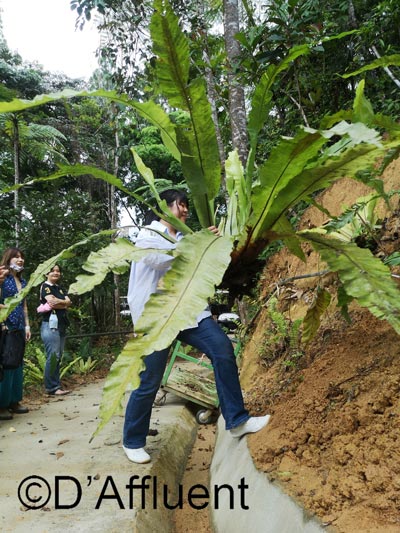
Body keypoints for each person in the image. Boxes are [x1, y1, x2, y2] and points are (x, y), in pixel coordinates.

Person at [124, 189, 270, 463]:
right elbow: (157, 259)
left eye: (186, 206)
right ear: (165, 208)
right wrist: (198, 245)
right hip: (157, 319)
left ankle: (237, 420)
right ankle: (132, 440)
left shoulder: (185, 239)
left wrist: (211, 246)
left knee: (222, 349)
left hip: (189, 315)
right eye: (181, 205)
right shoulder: (148, 234)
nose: (185, 211)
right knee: (150, 380)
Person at [0, 248, 31, 420]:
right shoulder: (2, 278)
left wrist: (27, 326)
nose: (20, 260)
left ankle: (14, 401)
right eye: (16, 257)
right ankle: (2, 404)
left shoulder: (23, 281)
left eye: (22, 257)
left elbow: (24, 305)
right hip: (6, 327)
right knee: (7, 364)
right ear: (8, 259)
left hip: (19, 327)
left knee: (18, 364)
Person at [39, 265, 71, 396]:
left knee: (58, 356)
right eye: (53, 271)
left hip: (61, 324)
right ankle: (51, 387)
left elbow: (69, 302)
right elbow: (51, 302)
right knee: (53, 356)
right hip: (50, 325)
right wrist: (63, 302)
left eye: (58, 271)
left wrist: (61, 302)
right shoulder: (45, 287)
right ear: (47, 273)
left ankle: (56, 385)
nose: (56, 273)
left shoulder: (59, 288)